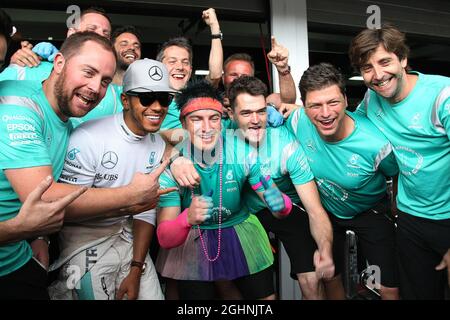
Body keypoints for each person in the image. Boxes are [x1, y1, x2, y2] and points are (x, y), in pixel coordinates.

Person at [0, 31, 167, 299]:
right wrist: (131, 196)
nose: (94, 88)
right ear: (58, 63)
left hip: (20, 257)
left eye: (104, 81)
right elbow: (44, 200)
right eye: (87, 72)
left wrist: (39, 238)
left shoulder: (70, 119)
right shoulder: (19, 104)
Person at [48, 59, 175, 300]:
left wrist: (136, 268)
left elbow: (146, 212)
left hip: (131, 242)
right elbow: (67, 209)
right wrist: (129, 201)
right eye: (147, 98)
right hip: (85, 244)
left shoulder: (158, 144)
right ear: (125, 100)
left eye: (165, 98)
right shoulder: (88, 137)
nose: (157, 107)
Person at [155, 79, 293, 300]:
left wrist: (281, 205)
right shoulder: (173, 168)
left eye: (214, 118)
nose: (207, 128)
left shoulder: (243, 153)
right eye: (196, 119)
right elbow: (164, 237)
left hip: (240, 230)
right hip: (193, 238)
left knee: (266, 299)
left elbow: (274, 199)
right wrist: (186, 219)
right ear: (183, 123)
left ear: (222, 121)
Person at [349, 24, 450, 299]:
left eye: (385, 62)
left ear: (403, 59)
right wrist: (297, 109)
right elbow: (347, 126)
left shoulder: (443, 95)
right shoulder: (372, 100)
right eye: (367, 68)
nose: (378, 75)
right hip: (410, 219)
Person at [286, 63, 400, 300]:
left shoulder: (375, 143)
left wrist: (396, 207)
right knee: (330, 276)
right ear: (304, 107)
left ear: (346, 100)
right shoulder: (298, 121)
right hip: (327, 212)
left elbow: (396, 173)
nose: (325, 113)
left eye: (333, 102)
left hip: (371, 212)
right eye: (315, 105)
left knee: (387, 285)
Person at [227, 75, 334, 299]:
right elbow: (180, 133)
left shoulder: (287, 146)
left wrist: (325, 250)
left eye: (261, 111)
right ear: (231, 115)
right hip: (248, 215)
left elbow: (315, 210)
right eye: (246, 113)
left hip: (289, 207)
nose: (256, 120)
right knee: (263, 295)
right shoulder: (222, 137)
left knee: (312, 283)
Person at [157, 8, 223, 143]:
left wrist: (215, 28)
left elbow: (215, 75)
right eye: (172, 61)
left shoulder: (197, 96)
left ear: (191, 69)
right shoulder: (148, 99)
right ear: (159, 66)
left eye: (185, 62)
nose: (180, 67)